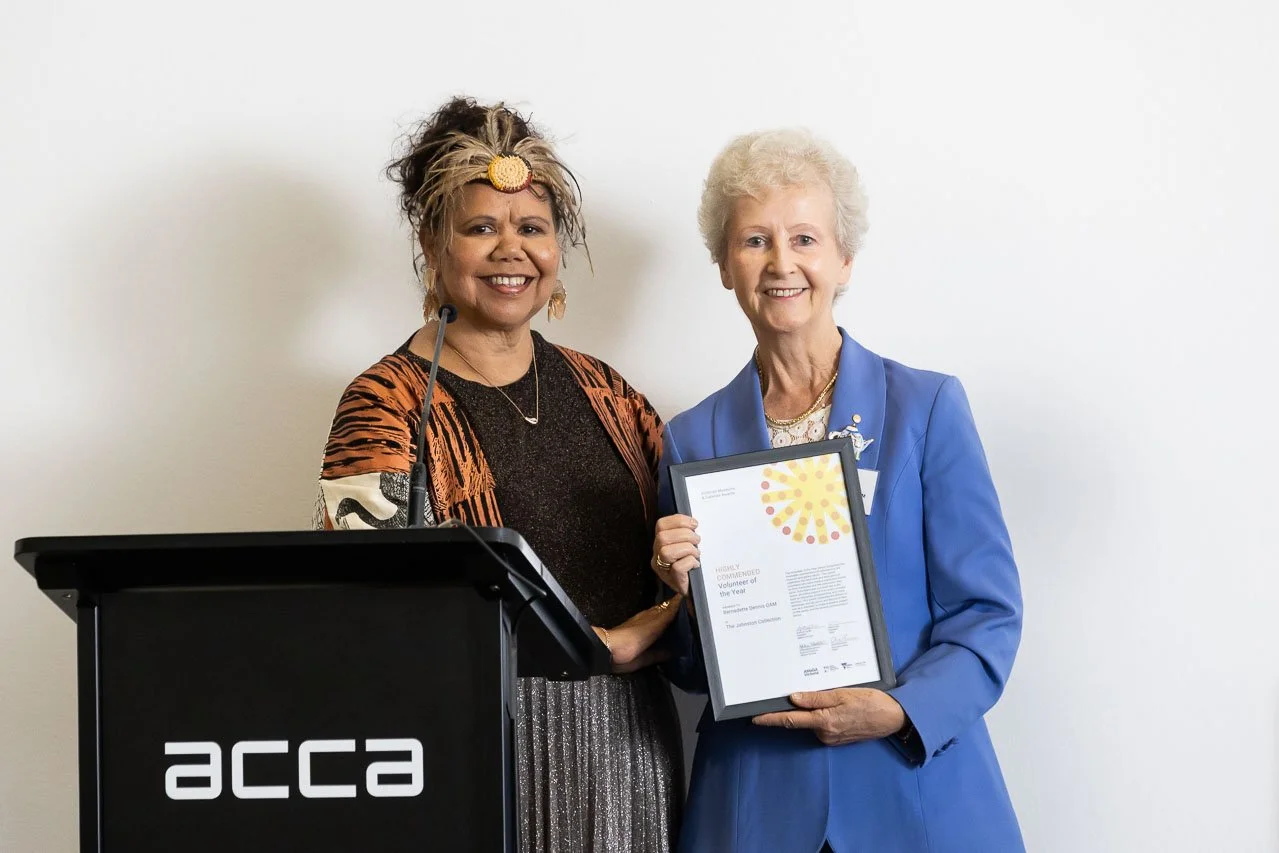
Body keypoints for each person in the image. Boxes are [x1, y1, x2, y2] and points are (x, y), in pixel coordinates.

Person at [315, 97, 682, 853]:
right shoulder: (386, 404)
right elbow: (367, 615)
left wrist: (671, 611)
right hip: (477, 745)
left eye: (532, 228)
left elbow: (692, 553)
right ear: (432, 242)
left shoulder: (608, 393)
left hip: (631, 747)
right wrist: (591, 645)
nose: (510, 250)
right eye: (481, 227)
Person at [651, 128, 1025, 852]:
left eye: (804, 239)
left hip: (912, 789)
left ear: (843, 258)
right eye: (754, 240)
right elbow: (695, 672)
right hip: (757, 805)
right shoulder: (690, 440)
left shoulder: (926, 409)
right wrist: (680, 596)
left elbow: (987, 613)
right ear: (725, 266)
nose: (780, 263)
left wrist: (900, 711)